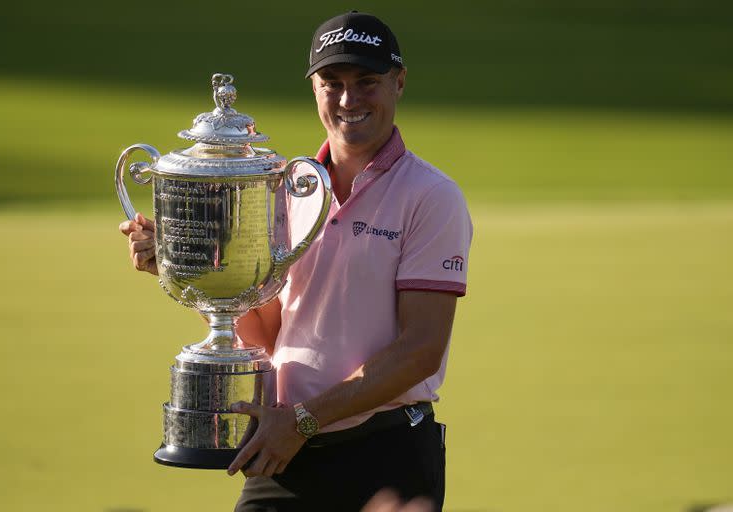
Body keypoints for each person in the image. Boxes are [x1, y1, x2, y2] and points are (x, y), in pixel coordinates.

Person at [120, 11, 472, 512]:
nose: (349, 99)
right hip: (287, 449)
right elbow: (265, 332)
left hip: (384, 453)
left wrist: (304, 418)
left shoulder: (432, 196)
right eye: (333, 83)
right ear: (314, 88)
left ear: (398, 82)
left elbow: (420, 349)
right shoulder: (287, 189)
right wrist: (190, 271)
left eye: (367, 82)